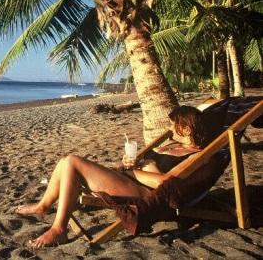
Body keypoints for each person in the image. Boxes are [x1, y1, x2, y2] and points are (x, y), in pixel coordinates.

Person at [16, 106, 209, 248]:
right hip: (132, 179)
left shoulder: (195, 155)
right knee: (65, 161)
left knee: (72, 162)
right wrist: (130, 164)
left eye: (174, 124)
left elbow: (165, 183)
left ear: (187, 128)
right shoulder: (173, 145)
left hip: (146, 193)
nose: (170, 127)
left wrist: (135, 170)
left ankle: (59, 230)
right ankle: (43, 206)